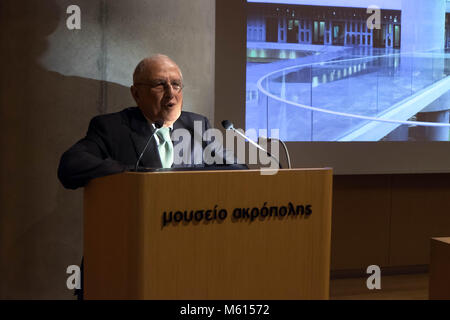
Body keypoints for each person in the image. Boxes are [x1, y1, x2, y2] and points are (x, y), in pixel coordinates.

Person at [58, 54, 241, 190]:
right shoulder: (112, 128)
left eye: (176, 84)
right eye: (160, 85)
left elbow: (237, 169)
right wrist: (134, 173)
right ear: (136, 94)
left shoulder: (197, 125)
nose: (171, 93)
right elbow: (71, 166)